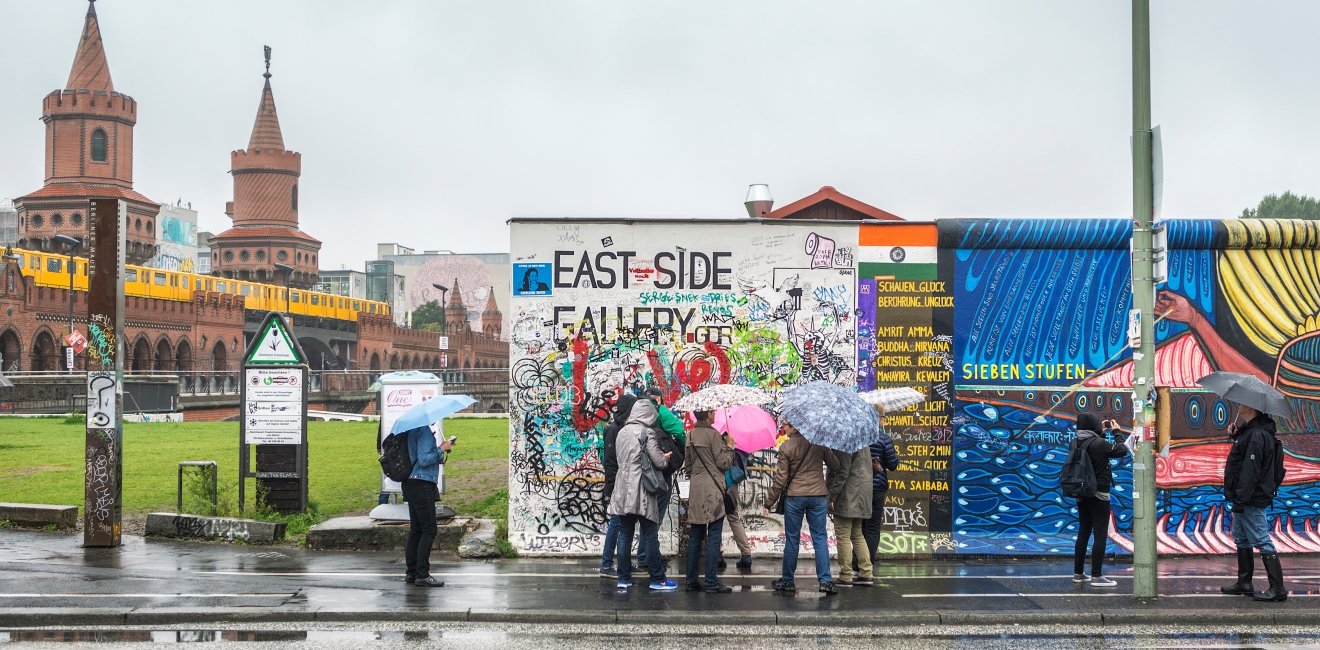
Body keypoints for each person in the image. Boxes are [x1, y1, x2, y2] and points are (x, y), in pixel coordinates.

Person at [607, 398, 678, 591]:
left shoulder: (621, 432)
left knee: (625, 534)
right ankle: (658, 579)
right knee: (649, 534)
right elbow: (659, 463)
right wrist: (664, 458)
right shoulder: (648, 433)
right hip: (642, 490)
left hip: (622, 489)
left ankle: (623, 578)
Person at [1220, 402, 1288, 602]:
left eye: (1242, 403)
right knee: (1241, 537)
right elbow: (1243, 459)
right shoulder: (1250, 431)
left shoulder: (1257, 434)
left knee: (1260, 539)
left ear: (1251, 408)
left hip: (1251, 498)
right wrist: (1235, 435)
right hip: (1244, 497)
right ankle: (1244, 582)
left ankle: (1278, 588)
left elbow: (1250, 471)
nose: (1239, 405)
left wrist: (1241, 499)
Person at [764, 422, 841, 594]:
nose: (784, 428)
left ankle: (788, 581)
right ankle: (825, 581)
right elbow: (836, 466)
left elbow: (780, 479)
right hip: (818, 497)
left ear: (795, 427)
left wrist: (769, 502)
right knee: (820, 538)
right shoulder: (819, 442)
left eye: (787, 425)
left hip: (795, 497)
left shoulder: (787, 446)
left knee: (792, 539)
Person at [1070, 413, 1129, 588]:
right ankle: (1096, 576)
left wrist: (1101, 433)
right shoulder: (1100, 444)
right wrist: (1117, 432)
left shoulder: (1075, 442)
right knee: (1100, 534)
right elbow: (1122, 450)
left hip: (1081, 492)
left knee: (1084, 531)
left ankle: (1078, 573)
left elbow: (1094, 448)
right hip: (1099, 493)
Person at [683, 409, 736, 593]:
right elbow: (724, 463)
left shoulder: (690, 435)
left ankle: (691, 581)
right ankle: (711, 582)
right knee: (714, 536)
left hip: (696, 489)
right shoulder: (714, 435)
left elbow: (688, 466)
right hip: (713, 491)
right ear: (709, 415)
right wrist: (729, 446)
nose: (715, 415)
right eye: (713, 412)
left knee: (695, 536)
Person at [635, 386, 685, 569]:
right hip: (661, 471)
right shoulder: (661, 412)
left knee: (647, 515)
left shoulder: (635, 415)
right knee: (656, 515)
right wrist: (681, 450)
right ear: (659, 399)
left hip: (641, 470)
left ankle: (647, 554)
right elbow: (679, 432)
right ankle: (646, 557)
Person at [402, 425, 453, 588]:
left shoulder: (411, 430)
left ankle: (412, 572)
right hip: (421, 483)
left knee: (416, 529)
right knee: (429, 529)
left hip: (410, 482)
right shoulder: (423, 431)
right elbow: (423, 459)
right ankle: (422, 574)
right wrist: (441, 448)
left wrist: (440, 452)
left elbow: (417, 457)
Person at [598, 393, 638, 578]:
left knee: (621, 524)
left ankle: (622, 563)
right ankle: (606, 564)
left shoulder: (622, 428)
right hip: (616, 485)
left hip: (620, 484)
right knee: (615, 524)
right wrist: (613, 487)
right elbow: (611, 462)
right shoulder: (614, 430)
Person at [828, 441, 874, 587]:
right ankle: (866, 572)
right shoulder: (863, 442)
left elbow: (843, 471)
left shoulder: (846, 444)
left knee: (843, 535)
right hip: (862, 494)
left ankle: (845, 575)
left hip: (848, 495)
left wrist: (832, 496)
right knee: (857, 534)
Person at [863, 405, 900, 565]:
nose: (884, 421)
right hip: (878, 487)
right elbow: (892, 464)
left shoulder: (860, 436)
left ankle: (858, 563)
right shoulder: (884, 439)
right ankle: (868, 563)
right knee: (872, 528)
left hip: (860, 487)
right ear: (878, 419)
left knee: (859, 528)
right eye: (883, 418)